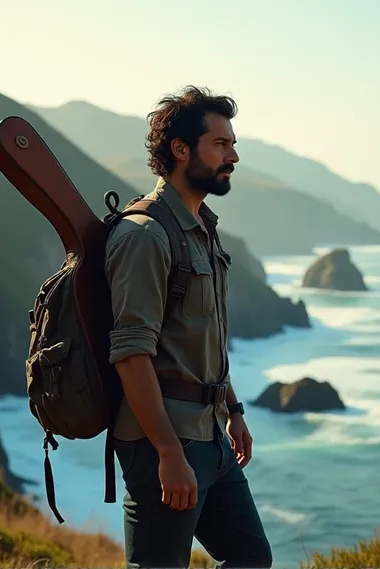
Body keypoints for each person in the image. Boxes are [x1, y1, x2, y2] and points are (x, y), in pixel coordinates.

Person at [104, 85, 273, 569]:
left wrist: (234, 409)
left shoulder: (201, 228)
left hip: (212, 435)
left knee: (251, 559)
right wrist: (167, 452)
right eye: (221, 144)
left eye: (233, 144)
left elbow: (200, 337)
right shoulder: (144, 236)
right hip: (166, 441)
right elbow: (131, 354)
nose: (234, 156)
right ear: (181, 149)